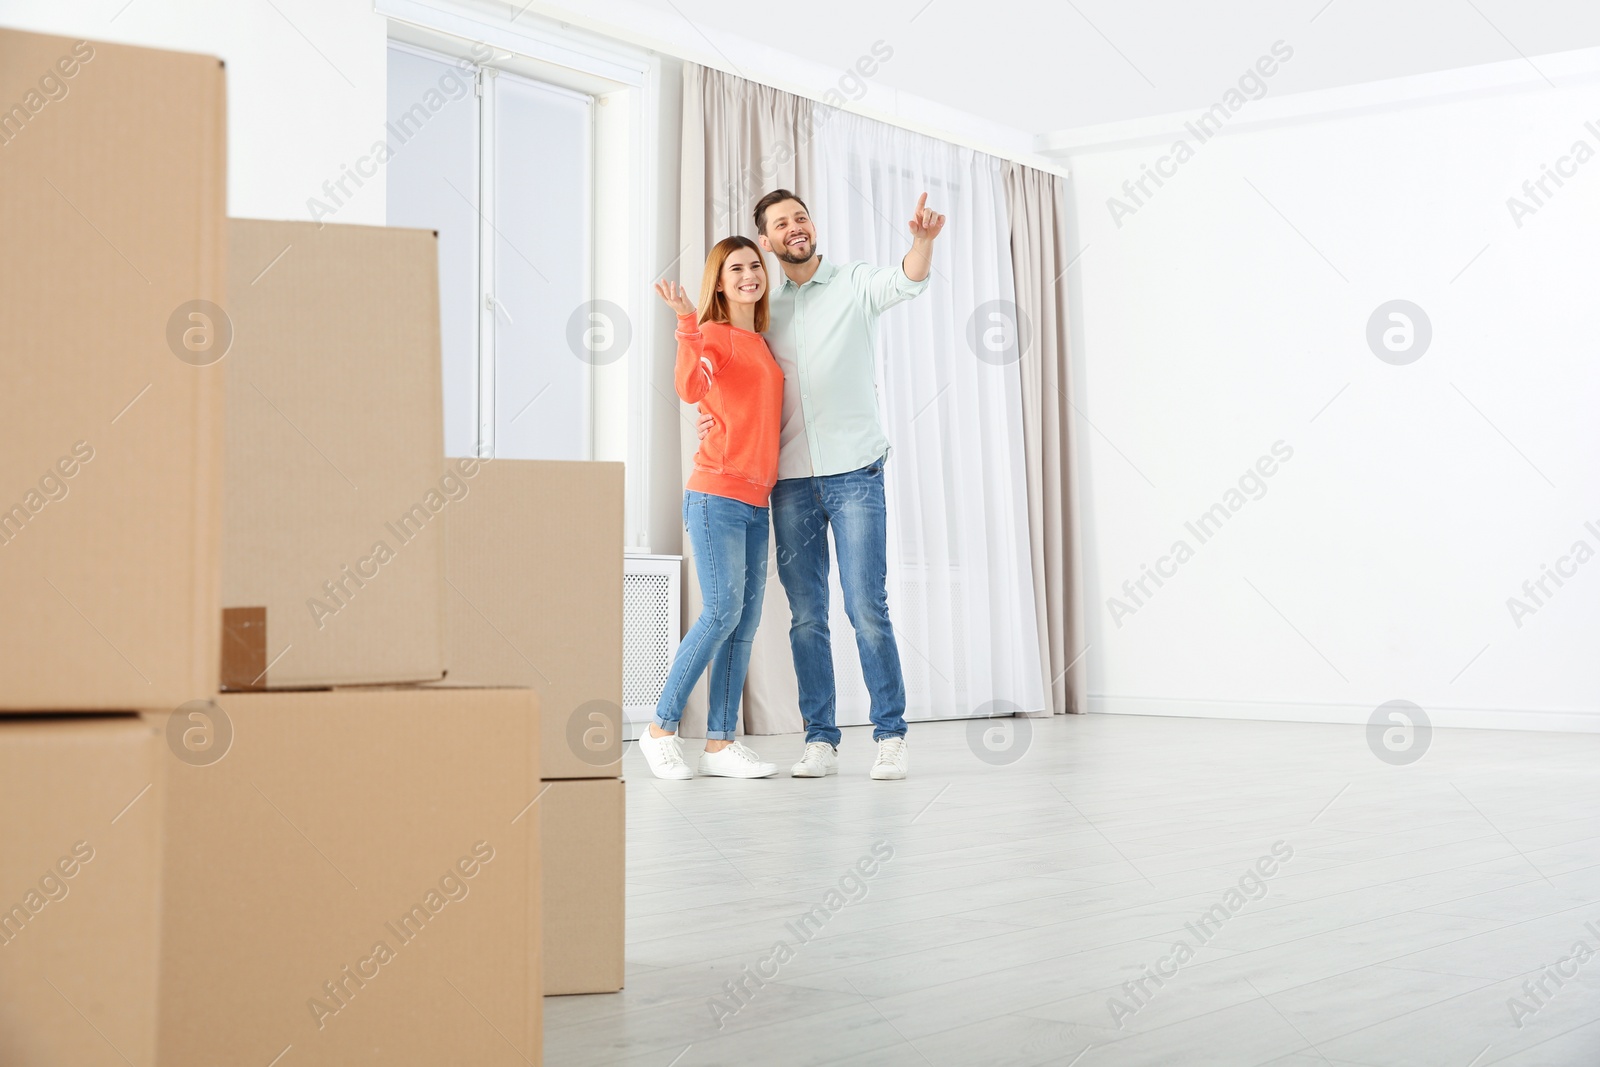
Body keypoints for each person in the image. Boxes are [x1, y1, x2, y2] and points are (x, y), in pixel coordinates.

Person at [701, 189, 946, 781]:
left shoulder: (854, 282)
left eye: (800, 217)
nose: (794, 228)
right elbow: (729, 370)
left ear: (812, 225)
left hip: (856, 472)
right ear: (766, 240)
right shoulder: (762, 306)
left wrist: (921, 243)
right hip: (789, 481)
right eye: (780, 224)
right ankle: (821, 740)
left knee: (867, 607)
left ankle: (890, 735)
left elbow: (907, 281)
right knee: (807, 616)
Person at [639, 236, 786, 781]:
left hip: (756, 501)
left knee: (743, 622)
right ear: (719, 283)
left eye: (755, 265)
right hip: (715, 494)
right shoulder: (716, 336)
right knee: (722, 611)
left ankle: (721, 745)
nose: (749, 274)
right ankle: (659, 729)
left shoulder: (765, 344)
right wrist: (685, 323)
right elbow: (688, 385)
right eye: (735, 268)